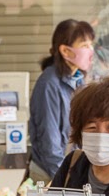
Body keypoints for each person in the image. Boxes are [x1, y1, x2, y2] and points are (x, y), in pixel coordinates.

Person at [29, 18, 95, 183]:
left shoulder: (78, 80)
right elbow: (49, 141)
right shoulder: (49, 83)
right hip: (50, 174)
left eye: (91, 44)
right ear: (66, 51)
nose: (90, 51)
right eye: (84, 46)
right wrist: (64, 179)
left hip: (69, 172)